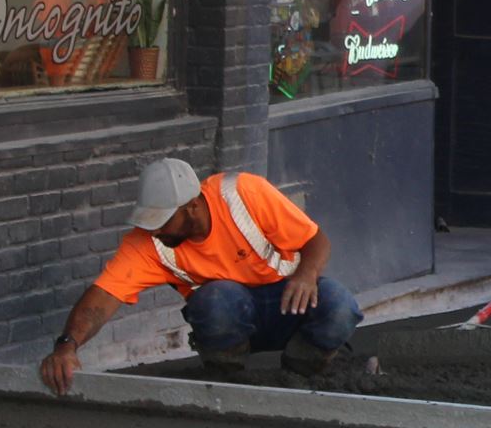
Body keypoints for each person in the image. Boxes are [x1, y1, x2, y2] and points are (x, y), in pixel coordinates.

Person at [39, 157, 359, 392]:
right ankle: (227, 381)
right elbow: (102, 298)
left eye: (163, 221)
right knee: (216, 298)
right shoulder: (149, 241)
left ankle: (299, 376)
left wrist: (306, 273)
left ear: (192, 207)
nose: (156, 229)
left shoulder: (244, 193)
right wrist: (67, 346)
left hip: (289, 302)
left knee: (339, 304)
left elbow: (316, 240)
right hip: (231, 317)